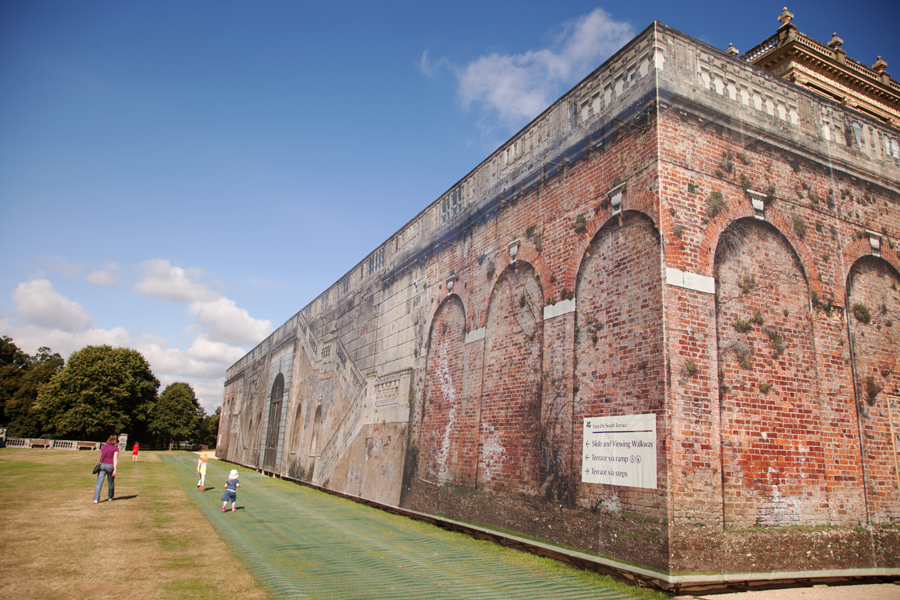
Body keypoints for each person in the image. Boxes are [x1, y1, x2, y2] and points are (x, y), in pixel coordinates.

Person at [94, 435, 119, 503]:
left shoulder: (104, 446)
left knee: (99, 483)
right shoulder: (115, 448)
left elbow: (102, 455)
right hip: (110, 465)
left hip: (102, 465)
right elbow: (115, 459)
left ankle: (96, 498)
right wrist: (115, 469)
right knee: (110, 482)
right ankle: (110, 497)